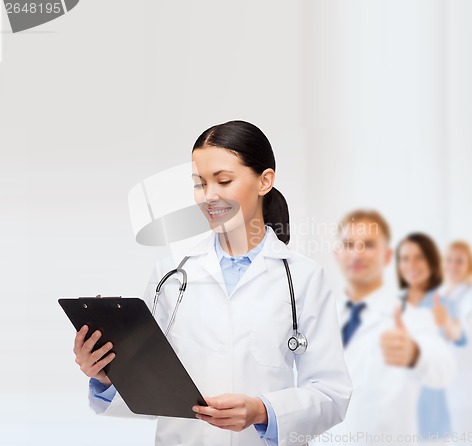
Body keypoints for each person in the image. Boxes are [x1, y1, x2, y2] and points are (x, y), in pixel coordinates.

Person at [72, 120, 352, 446]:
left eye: (223, 180)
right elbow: (149, 388)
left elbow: (332, 393)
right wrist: (104, 376)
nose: (209, 196)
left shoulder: (303, 277)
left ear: (265, 181)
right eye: (199, 183)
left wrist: (263, 410)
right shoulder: (171, 275)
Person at [314, 210, 455, 446]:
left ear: (388, 256)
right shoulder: (320, 318)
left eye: (368, 245)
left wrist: (414, 355)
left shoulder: (411, 317)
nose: (357, 254)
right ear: (337, 253)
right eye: (349, 244)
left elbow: (444, 369)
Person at [396, 233, 465, 441]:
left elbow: (459, 336)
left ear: (432, 262)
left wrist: (447, 324)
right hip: (397, 411)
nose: (412, 265)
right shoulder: (393, 304)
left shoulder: (442, 303)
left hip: (432, 413)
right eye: (405, 258)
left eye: (419, 257)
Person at [440, 241, 472, 440]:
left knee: (470, 435)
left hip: (468, 380)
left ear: (469, 265)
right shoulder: (442, 294)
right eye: (449, 260)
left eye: (459, 261)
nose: (453, 266)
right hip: (448, 379)